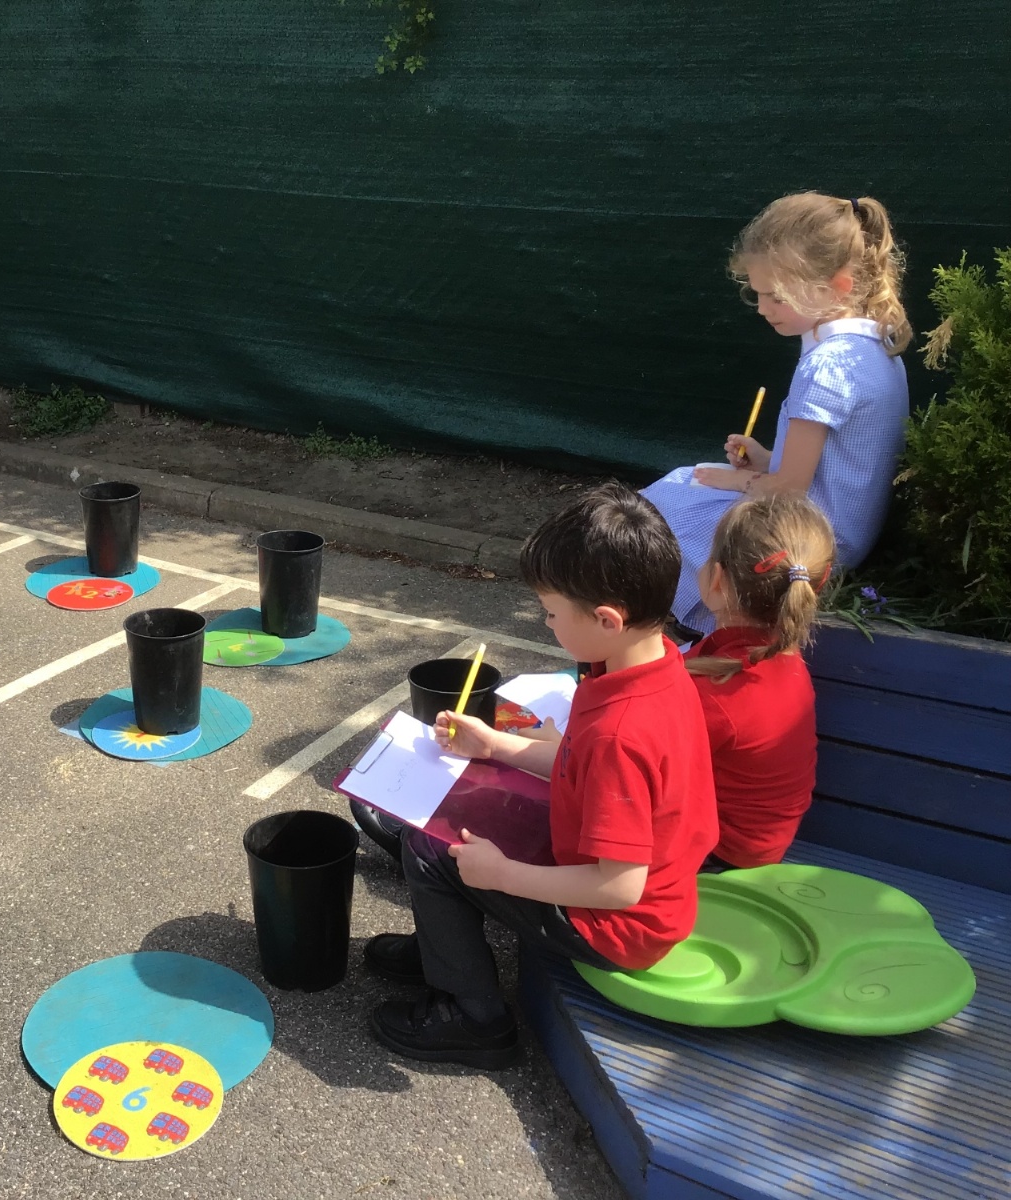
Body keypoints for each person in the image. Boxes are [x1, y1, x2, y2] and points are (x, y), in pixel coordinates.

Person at [364, 484, 718, 1069]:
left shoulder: (622, 731)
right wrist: (495, 745)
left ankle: (474, 1018)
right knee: (451, 818)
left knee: (433, 850)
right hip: (623, 881)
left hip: (616, 926)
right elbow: (581, 767)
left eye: (551, 613)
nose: (545, 622)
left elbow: (620, 888)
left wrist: (503, 875)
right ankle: (439, 949)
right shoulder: (647, 667)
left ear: (607, 619)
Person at [642, 192, 911, 635]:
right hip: (844, 530)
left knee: (661, 507)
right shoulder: (877, 348)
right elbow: (838, 464)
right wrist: (766, 458)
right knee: (687, 483)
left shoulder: (826, 367)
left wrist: (739, 481)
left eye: (777, 297)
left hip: (808, 540)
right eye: (758, 295)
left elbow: (788, 490)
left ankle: (710, 623)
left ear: (839, 285)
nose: (764, 309)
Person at [685, 494, 834, 870]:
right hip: (754, 843)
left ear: (716, 579)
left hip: (719, 855)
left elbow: (628, 769)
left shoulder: (716, 692)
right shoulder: (781, 657)